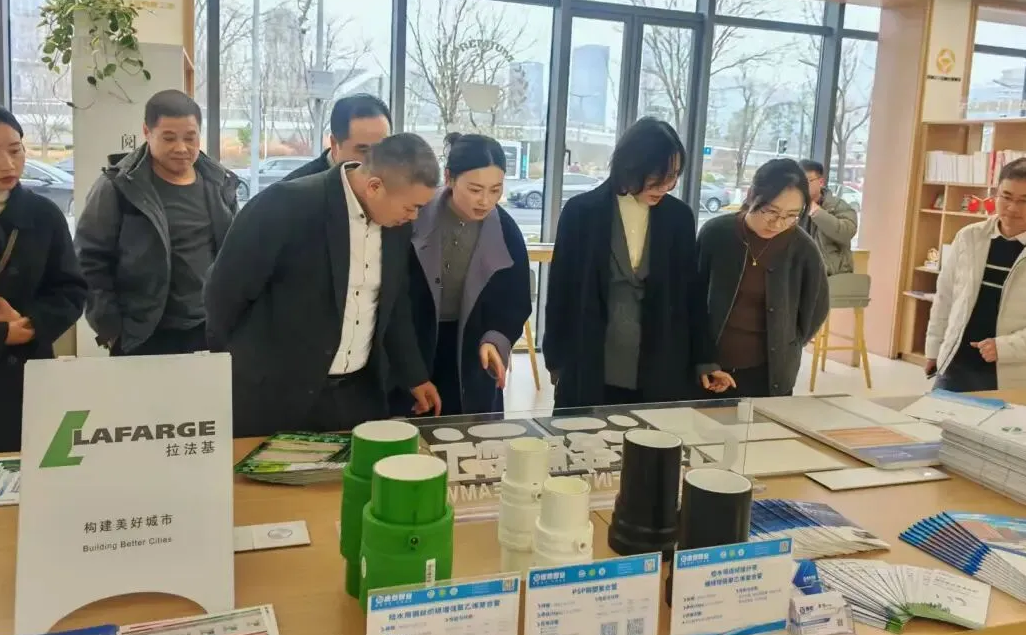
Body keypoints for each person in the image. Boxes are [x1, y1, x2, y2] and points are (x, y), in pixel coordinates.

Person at [205, 133, 444, 436]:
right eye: (411, 207)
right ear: (374, 187)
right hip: (275, 396)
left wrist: (414, 375)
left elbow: (394, 305)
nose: (414, 217)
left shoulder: (395, 226)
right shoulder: (288, 204)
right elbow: (224, 291)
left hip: (356, 394)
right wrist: (237, 364)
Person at [543, 117, 735, 407]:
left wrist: (704, 359)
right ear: (630, 166)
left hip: (660, 363)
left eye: (673, 176)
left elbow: (691, 296)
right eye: (657, 177)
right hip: (590, 360)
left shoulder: (679, 218)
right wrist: (556, 359)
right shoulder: (581, 212)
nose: (666, 186)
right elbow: (560, 290)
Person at [74, 90, 239, 356]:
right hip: (142, 334)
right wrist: (110, 327)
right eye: (169, 138)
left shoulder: (220, 183)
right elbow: (89, 259)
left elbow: (236, 253)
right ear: (146, 132)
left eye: (190, 137)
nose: (181, 148)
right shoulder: (119, 186)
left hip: (208, 329)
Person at [0, 100, 86, 454]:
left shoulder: (43, 214)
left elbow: (70, 289)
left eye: (16, 150)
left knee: (32, 466)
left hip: (29, 377)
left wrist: (29, 326)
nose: (8, 163)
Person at [396, 133, 532, 416]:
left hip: (472, 347)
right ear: (449, 177)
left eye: (495, 190)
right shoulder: (413, 215)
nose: (485, 201)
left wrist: (495, 340)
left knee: (467, 429)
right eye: (475, 189)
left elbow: (515, 302)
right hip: (413, 342)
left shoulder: (506, 231)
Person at [697, 158, 829, 397]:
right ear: (751, 196)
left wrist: (789, 342)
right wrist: (703, 360)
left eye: (791, 215)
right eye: (771, 211)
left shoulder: (803, 249)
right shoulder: (716, 234)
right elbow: (691, 298)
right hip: (711, 366)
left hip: (769, 373)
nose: (778, 223)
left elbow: (817, 307)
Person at [926, 158, 1026, 391]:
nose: (1012, 208)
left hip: (1016, 374)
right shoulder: (969, 237)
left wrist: (1005, 348)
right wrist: (934, 349)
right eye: (1006, 197)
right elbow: (945, 298)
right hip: (955, 365)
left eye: (1025, 200)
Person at [284, 94, 391, 181]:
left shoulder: (394, 183)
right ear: (334, 145)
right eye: (363, 150)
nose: (375, 162)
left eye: (383, 150)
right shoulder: (294, 194)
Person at [800, 159, 858, 275]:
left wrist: (816, 212)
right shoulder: (793, 208)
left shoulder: (837, 205)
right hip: (801, 275)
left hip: (832, 276)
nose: (801, 186)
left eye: (806, 181)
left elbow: (847, 232)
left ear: (821, 182)